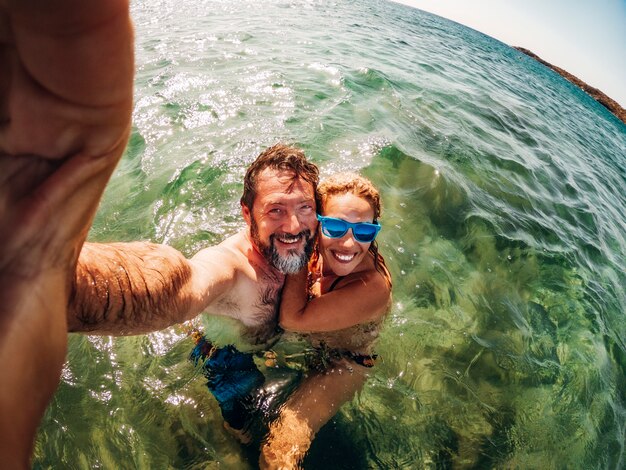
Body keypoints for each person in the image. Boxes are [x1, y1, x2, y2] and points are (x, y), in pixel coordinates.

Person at [0, 1, 134, 467]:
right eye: (277, 209)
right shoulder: (239, 259)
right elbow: (196, 280)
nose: (295, 224)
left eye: (308, 211)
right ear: (246, 214)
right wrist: (48, 265)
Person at [260, 173, 392, 469]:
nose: (348, 243)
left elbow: (293, 319)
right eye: (334, 226)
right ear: (317, 222)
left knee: (277, 452)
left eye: (364, 232)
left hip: (344, 363)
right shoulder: (320, 250)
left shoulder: (372, 288)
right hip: (311, 343)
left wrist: (301, 245)